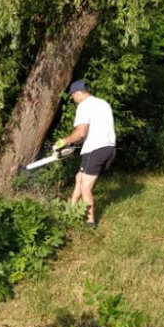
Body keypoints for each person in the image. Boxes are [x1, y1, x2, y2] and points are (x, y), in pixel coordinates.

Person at [54, 79, 116, 227]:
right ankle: (71, 208)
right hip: (109, 148)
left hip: (95, 149)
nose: (72, 98)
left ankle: (90, 222)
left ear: (78, 93)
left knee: (85, 188)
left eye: (72, 95)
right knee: (79, 177)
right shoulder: (103, 103)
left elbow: (81, 133)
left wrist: (64, 141)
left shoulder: (84, 106)